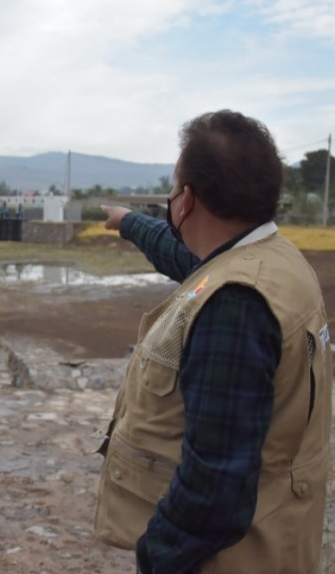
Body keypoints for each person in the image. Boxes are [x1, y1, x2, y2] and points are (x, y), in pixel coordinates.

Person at [93, 109, 331, 574]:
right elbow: (189, 257)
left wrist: (155, 556)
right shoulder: (271, 260)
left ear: (187, 199)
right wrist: (128, 223)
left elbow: (215, 488)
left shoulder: (234, 307)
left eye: (173, 187)